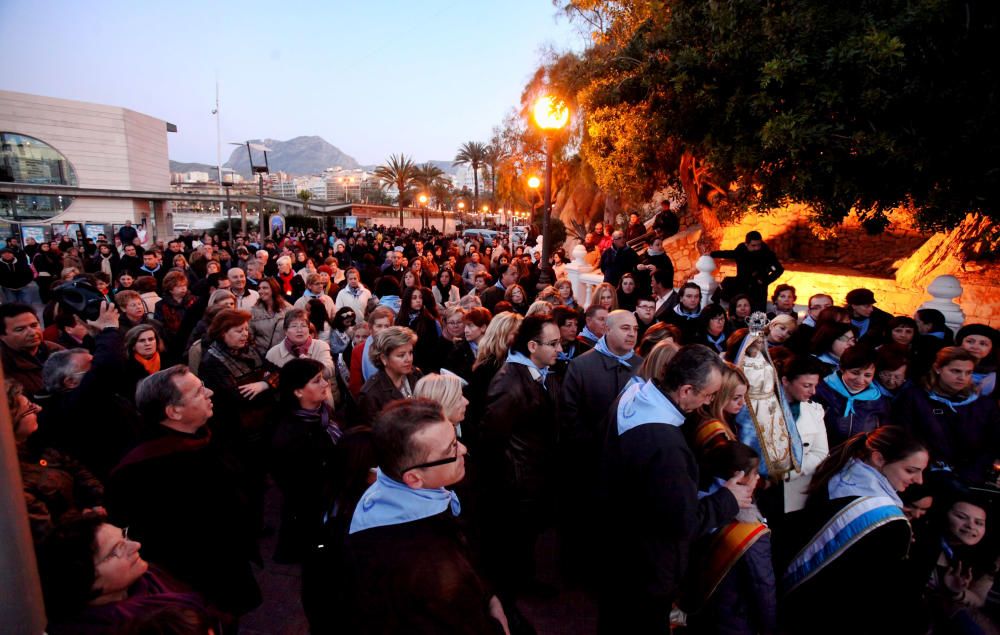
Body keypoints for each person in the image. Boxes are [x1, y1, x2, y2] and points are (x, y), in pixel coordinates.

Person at [599, 344, 752, 634]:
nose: (708, 403)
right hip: (646, 566)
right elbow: (683, 521)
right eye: (707, 395)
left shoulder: (635, 394)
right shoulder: (666, 444)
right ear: (685, 391)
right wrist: (728, 498)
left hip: (618, 545)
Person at [106, 366, 262, 617]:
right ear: (173, 411)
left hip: (229, 566)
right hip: (197, 586)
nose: (210, 392)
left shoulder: (204, 436)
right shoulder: (141, 469)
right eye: (199, 392)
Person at [344, 398, 509, 634]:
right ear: (414, 478)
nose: (463, 449)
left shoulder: (383, 496)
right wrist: (498, 620)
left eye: (456, 440)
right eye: (451, 448)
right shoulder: (427, 564)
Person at [781, 427, 927, 633]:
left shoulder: (836, 473)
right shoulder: (889, 522)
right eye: (910, 470)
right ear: (878, 458)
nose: (919, 480)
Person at [480, 313, 562, 610]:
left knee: (527, 538)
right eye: (552, 344)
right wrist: (510, 476)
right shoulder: (508, 381)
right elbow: (492, 438)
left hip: (533, 475)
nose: (559, 350)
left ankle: (523, 581)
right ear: (531, 346)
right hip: (516, 480)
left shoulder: (541, 374)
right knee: (513, 541)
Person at [558, 310, 641, 584]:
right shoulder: (581, 366)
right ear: (607, 329)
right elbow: (569, 414)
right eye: (625, 328)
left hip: (627, 464)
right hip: (588, 461)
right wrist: (593, 447)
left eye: (635, 329)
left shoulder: (642, 367)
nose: (631, 334)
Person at [35, 513, 215, 635]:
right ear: (86, 580)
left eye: (124, 536)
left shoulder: (149, 578)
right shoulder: (95, 628)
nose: (136, 545)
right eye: (116, 550)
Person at [684, 441, 775, 635]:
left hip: (696, 611)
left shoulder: (693, 503)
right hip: (734, 620)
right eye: (754, 473)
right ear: (739, 477)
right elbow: (763, 587)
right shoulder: (748, 529)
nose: (758, 477)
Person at [9, 378, 105, 539]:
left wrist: (96, 498)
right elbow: (46, 531)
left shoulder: (37, 445)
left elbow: (75, 468)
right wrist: (85, 519)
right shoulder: (14, 477)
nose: (38, 408)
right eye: (29, 409)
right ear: (11, 421)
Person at [271, 358, 343, 564]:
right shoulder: (290, 434)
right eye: (316, 381)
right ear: (298, 392)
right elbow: (296, 485)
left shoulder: (322, 413)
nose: (325, 384)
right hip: (313, 510)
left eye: (323, 378)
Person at [893, 347, 1000, 483]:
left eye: (968, 372)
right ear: (938, 368)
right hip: (925, 475)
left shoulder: (984, 404)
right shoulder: (914, 398)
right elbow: (904, 437)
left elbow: (993, 443)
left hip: (972, 476)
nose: (962, 377)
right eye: (955, 371)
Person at [905, 489, 999, 633]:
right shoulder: (916, 539)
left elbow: (979, 599)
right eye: (962, 517)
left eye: (979, 523)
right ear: (944, 515)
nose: (970, 526)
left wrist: (957, 592)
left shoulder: (987, 557)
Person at [779, 356, 830, 513]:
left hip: (795, 489)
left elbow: (820, 453)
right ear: (786, 381)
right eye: (807, 385)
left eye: (815, 386)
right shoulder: (760, 408)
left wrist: (790, 472)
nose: (813, 392)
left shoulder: (814, 411)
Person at [813, 344, 890, 447]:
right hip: (825, 453)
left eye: (867, 375)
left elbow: (882, 433)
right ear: (842, 368)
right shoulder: (821, 391)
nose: (860, 380)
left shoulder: (878, 400)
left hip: (859, 455)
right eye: (855, 373)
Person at [265, 309, 338, 402]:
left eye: (303, 326)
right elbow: (272, 384)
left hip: (321, 404)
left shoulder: (321, 346)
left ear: (308, 328)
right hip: (289, 407)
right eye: (294, 326)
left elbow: (329, 370)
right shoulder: (273, 353)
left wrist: (311, 365)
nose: (299, 330)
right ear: (285, 331)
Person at [358, 326, 423, 426]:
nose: (409, 359)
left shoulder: (415, 374)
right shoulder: (371, 394)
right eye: (401, 355)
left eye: (410, 353)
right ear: (383, 358)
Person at [1, 303, 64, 399]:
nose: (32, 333)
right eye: (20, 329)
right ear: (2, 336)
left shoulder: (56, 350)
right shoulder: (3, 366)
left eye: (34, 325)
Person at [710, 231, 784, 312]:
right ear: (746, 244)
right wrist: (712, 254)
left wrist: (765, 281)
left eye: (759, 245)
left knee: (757, 316)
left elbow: (779, 269)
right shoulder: (741, 249)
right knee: (727, 287)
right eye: (753, 245)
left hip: (758, 290)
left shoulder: (767, 253)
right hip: (741, 285)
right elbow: (731, 254)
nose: (757, 248)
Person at [348, 306, 395, 398]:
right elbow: (355, 385)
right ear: (370, 329)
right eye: (379, 326)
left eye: (387, 326)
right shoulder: (359, 350)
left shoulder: (397, 347)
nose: (383, 330)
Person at [395, 285, 442, 373]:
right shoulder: (399, 319)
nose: (418, 300)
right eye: (414, 298)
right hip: (403, 365)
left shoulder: (429, 321)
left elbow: (435, 348)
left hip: (424, 368)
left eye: (420, 297)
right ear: (407, 300)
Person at [249, 277, 291, 358]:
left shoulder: (288, 310)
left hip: (284, 355)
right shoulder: (253, 312)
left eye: (265, 288)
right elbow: (250, 338)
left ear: (274, 289)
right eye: (259, 288)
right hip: (262, 356)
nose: (260, 291)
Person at [955, 323, 997, 398]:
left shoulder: (993, 374)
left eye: (983, 344)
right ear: (960, 343)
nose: (975, 347)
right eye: (970, 341)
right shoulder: (946, 365)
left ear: (990, 349)